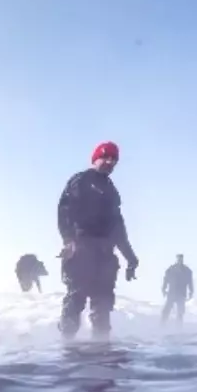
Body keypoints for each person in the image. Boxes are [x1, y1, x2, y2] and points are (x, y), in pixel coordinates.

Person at [56, 141, 140, 341]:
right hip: (81, 249)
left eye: (114, 160)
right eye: (106, 157)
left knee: (102, 306)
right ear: (96, 158)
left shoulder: (111, 191)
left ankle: (101, 351)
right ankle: (67, 350)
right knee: (76, 299)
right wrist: (69, 240)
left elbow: (118, 228)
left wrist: (131, 258)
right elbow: (64, 211)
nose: (110, 162)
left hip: (104, 255)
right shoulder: (81, 180)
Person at [161, 254, 195, 326]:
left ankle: (178, 328)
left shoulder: (187, 271)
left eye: (181, 259)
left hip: (181, 294)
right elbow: (165, 280)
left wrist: (191, 292)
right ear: (176, 259)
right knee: (166, 310)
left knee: (180, 312)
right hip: (172, 293)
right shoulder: (171, 269)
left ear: (182, 259)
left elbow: (190, 282)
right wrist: (163, 289)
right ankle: (162, 325)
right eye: (178, 259)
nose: (180, 260)